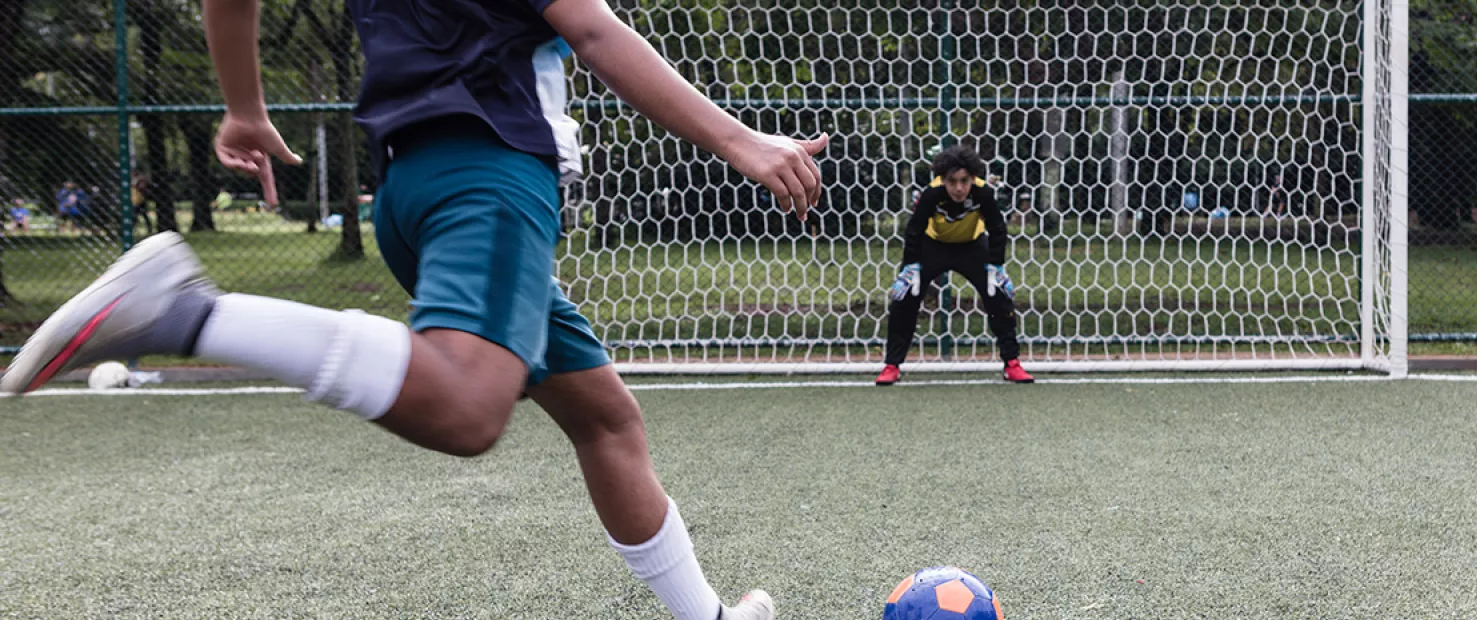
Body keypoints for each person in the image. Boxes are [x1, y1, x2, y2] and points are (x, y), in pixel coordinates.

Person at [1, 0, 828, 618]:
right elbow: (595, 28)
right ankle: (183, 314)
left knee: (605, 418)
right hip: (492, 176)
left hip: (409, 189)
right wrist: (740, 140)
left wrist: (246, 104)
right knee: (469, 409)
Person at [876, 145, 1032, 386]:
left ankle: (1012, 363)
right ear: (942, 179)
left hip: (972, 246)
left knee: (998, 298)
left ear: (973, 178)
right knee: (905, 299)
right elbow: (914, 229)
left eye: (964, 181)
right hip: (934, 246)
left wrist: (996, 267)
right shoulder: (931, 194)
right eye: (952, 181)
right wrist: (910, 267)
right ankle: (892, 365)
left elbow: (998, 228)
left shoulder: (983, 193)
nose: (959, 188)